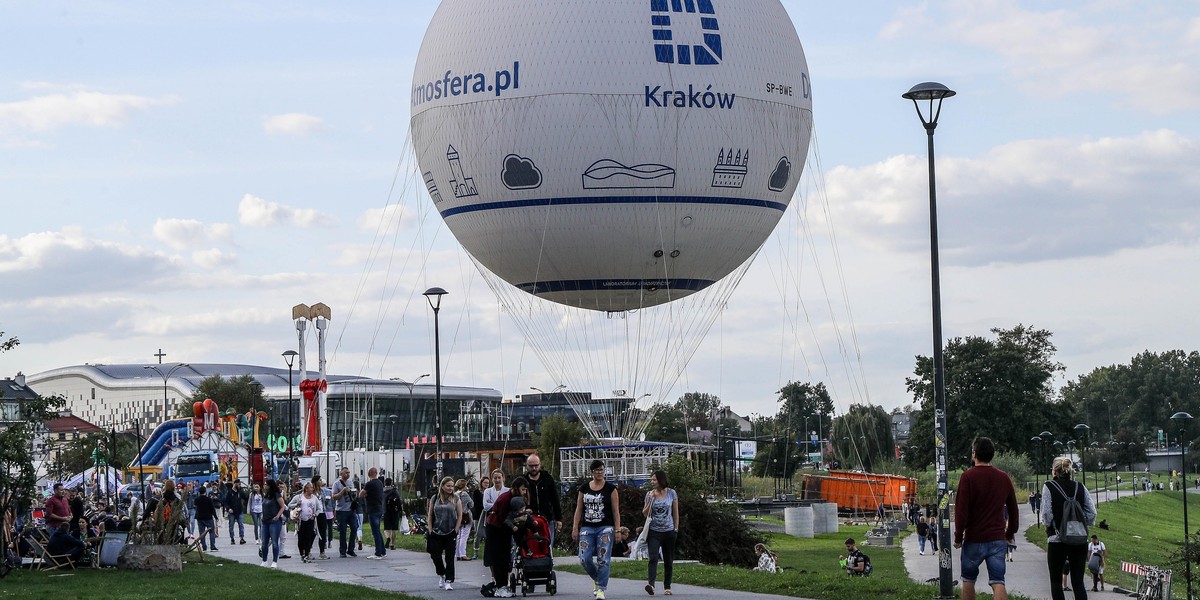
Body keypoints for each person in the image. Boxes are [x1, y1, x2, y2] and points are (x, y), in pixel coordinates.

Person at [954, 437, 1019, 600]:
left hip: (973, 538)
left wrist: (958, 537)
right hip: (997, 539)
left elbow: (961, 510)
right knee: (998, 581)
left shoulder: (967, 477)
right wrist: (1009, 534)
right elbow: (1013, 510)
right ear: (992, 455)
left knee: (968, 579)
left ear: (974, 454)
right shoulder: (1003, 478)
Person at [1041, 456, 1097, 600]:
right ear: (1070, 471)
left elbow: (1046, 513)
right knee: (1078, 582)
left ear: (1054, 471)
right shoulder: (1080, 487)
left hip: (1057, 539)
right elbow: (1092, 512)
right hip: (1079, 540)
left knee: (1056, 581)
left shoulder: (1049, 486)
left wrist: (1050, 527)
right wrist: (1081, 524)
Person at [573, 459, 621, 600]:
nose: (599, 472)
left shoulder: (611, 489)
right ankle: (597, 578)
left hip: (605, 527)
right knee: (584, 558)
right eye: (596, 470)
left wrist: (618, 530)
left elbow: (615, 511)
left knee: (603, 559)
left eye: (601, 470)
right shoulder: (584, 488)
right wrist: (575, 527)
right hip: (587, 527)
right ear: (592, 472)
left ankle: (601, 589)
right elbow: (579, 509)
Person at [486, 475, 528, 598]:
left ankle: (503, 584)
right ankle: (500, 586)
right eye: (523, 489)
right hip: (496, 528)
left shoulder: (515, 498)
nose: (524, 492)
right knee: (499, 558)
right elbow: (503, 518)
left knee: (505, 558)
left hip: (504, 529)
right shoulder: (506, 499)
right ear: (516, 488)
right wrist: (518, 520)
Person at [642, 469, 679, 595]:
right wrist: (651, 500)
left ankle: (667, 586)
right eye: (652, 479)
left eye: (654, 479)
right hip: (654, 531)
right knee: (653, 558)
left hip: (669, 531)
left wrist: (676, 528)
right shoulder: (649, 494)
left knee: (668, 560)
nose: (652, 482)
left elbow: (675, 512)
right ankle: (651, 585)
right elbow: (645, 513)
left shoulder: (671, 493)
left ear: (661, 480)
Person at [427, 476, 462, 590]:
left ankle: (448, 580)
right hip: (436, 531)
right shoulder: (435, 498)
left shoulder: (456, 498)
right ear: (442, 486)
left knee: (449, 557)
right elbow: (430, 514)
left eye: (452, 486)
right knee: (435, 555)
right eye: (448, 486)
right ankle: (441, 573)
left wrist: (456, 529)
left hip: (450, 531)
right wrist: (430, 529)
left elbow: (460, 514)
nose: (450, 488)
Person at [525, 454, 563, 544]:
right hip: (529, 519)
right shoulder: (523, 481)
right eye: (531, 466)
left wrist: (558, 518)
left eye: (536, 465)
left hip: (547, 518)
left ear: (540, 465)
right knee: (531, 545)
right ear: (527, 466)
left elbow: (555, 499)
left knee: (547, 544)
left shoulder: (548, 479)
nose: (534, 468)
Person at [358, 467, 387, 559]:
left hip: (372, 509)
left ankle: (378, 553)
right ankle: (383, 551)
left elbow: (361, 494)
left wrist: (366, 494)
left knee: (375, 532)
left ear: (369, 473)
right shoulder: (379, 483)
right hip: (379, 509)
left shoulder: (369, 484)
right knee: (378, 531)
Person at [260, 478, 287, 568]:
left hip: (274, 521)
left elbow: (282, 506)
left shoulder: (277, 494)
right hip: (265, 521)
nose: (264, 486)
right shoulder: (266, 495)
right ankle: (264, 560)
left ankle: (274, 561)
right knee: (264, 542)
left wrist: (278, 516)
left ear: (269, 486)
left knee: (275, 542)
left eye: (265, 484)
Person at [332, 467, 358, 558]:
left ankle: (351, 549)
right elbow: (334, 497)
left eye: (349, 472)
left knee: (355, 528)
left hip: (351, 509)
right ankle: (342, 550)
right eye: (346, 472)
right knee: (343, 531)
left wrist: (354, 493)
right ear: (341, 474)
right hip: (341, 510)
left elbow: (353, 495)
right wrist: (342, 491)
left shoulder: (350, 482)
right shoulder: (337, 483)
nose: (348, 474)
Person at [295, 481, 321, 563]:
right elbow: (289, 505)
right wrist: (296, 504)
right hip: (301, 521)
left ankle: (306, 555)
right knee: (301, 539)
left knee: (308, 538)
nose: (312, 489)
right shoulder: (299, 497)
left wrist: (316, 514)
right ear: (306, 489)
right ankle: (302, 553)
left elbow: (319, 508)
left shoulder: (314, 498)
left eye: (312, 487)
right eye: (311, 487)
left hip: (311, 520)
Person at [193, 485, 218, 552]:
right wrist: (215, 517)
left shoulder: (197, 499)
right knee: (211, 532)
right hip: (208, 517)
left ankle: (204, 546)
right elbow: (212, 509)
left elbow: (195, 505)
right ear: (205, 492)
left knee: (202, 533)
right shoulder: (209, 499)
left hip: (200, 518)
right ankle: (212, 546)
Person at [455, 479, 474, 561]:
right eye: (466, 485)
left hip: (457, 516)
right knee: (464, 536)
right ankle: (463, 554)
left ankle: (457, 554)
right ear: (463, 486)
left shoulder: (455, 494)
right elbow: (471, 504)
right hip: (465, 516)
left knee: (458, 536)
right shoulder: (465, 494)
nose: (467, 487)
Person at [314, 475, 333, 560]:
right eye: (319, 480)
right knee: (312, 533)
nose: (321, 481)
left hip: (322, 512)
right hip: (314, 514)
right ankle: (307, 551)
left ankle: (322, 552)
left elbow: (324, 502)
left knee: (323, 533)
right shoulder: (312, 491)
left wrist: (326, 501)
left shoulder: (323, 491)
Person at [226, 480, 247, 545]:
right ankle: (232, 538)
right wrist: (228, 508)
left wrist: (242, 490)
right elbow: (226, 502)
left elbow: (245, 497)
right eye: (238, 484)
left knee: (241, 525)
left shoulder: (240, 491)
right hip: (232, 512)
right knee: (231, 526)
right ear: (234, 484)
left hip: (239, 511)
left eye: (240, 484)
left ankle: (242, 538)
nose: (239, 485)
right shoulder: (230, 492)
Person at [384, 477, 402, 550]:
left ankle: (388, 538)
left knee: (386, 528)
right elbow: (399, 501)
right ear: (391, 483)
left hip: (386, 511)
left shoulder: (383, 491)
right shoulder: (395, 491)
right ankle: (392, 544)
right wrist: (401, 510)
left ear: (385, 483)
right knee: (394, 529)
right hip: (395, 511)